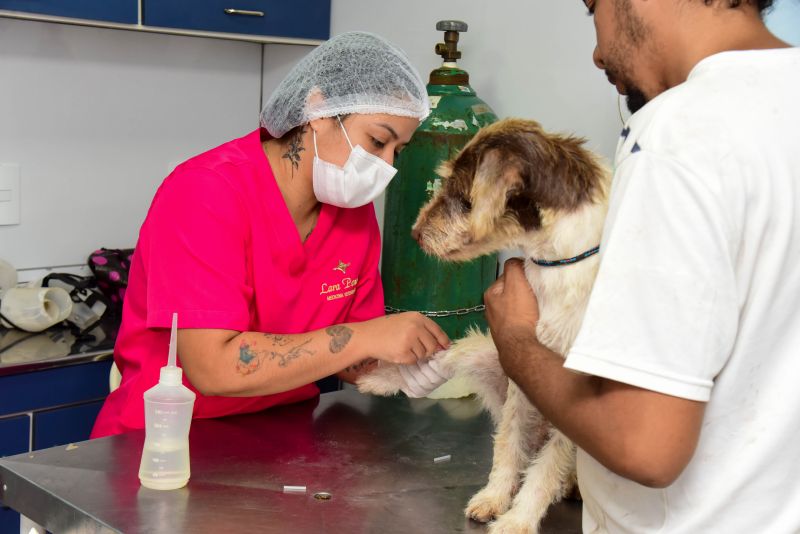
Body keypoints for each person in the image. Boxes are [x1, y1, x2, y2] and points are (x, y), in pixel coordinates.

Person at [483, 1, 800, 532]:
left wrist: (517, 342)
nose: (598, 51)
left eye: (594, 11)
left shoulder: (677, 135)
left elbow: (645, 445)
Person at [91, 32, 452, 438]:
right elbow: (213, 369)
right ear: (319, 109)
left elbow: (347, 354)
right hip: (167, 442)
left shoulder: (354, 216)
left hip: (279, 439)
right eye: (378, 141)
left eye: (397, 152)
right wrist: (366, 337)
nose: (386, 166)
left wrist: (400, 364)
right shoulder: (206, 192)